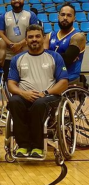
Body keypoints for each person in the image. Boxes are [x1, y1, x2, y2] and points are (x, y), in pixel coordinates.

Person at [8, 24, 68, 158]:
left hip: (48, 96)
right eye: (30, 37)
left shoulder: (55, 57)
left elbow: (63, 82)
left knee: (39, 104)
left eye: (37, 36)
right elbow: (11, 84)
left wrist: (45, 93)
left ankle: (37, 146)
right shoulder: (17, 59)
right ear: (26, 40)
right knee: (13, 101)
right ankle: (23, 146)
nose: (34, 39)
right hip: (24, 96)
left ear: (43, 38)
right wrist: (23, 93)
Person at [0, 0, 38, 80]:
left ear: (23, 0)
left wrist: (19, 45)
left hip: (27, 53)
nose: (17, 0)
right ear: (10, 1)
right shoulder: (3, 16)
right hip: (8, 55)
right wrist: (12, 45)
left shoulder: (31, 15)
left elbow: (34, 33)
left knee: (28, 78)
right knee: (9, 79)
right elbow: (0, 33)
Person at [44, 3, 86, 85]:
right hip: (51, 79)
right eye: (62, 15)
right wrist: (62, 56)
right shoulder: (49, 35)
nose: (65, 18)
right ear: (58, 16)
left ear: (74, 18)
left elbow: (66, 60)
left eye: (69, 15)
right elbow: (42, 58)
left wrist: (48, 55)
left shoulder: (78, 37)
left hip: (70, 80)